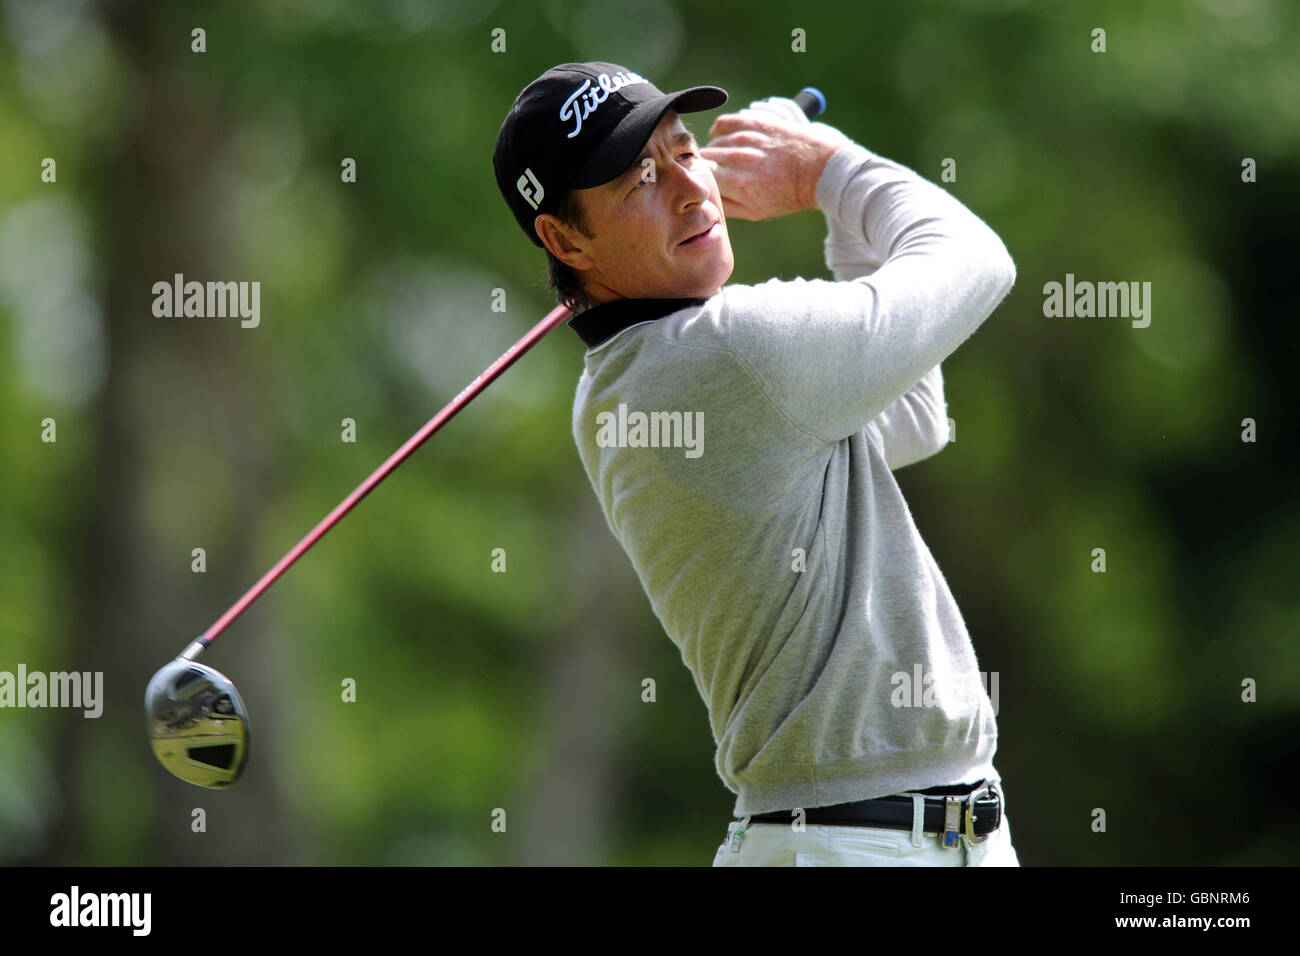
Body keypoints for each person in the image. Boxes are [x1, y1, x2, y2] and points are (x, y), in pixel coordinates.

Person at [493, 61, 1020, 866]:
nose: (690, 189)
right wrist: (829, 169)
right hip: (865, 844)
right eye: (639, 179)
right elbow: (979, 261)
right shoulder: (723, 354)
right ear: (565, 239)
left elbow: (908, 416)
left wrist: (837, 206)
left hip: (882, 835)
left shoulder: (625, 381)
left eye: (683, 150)